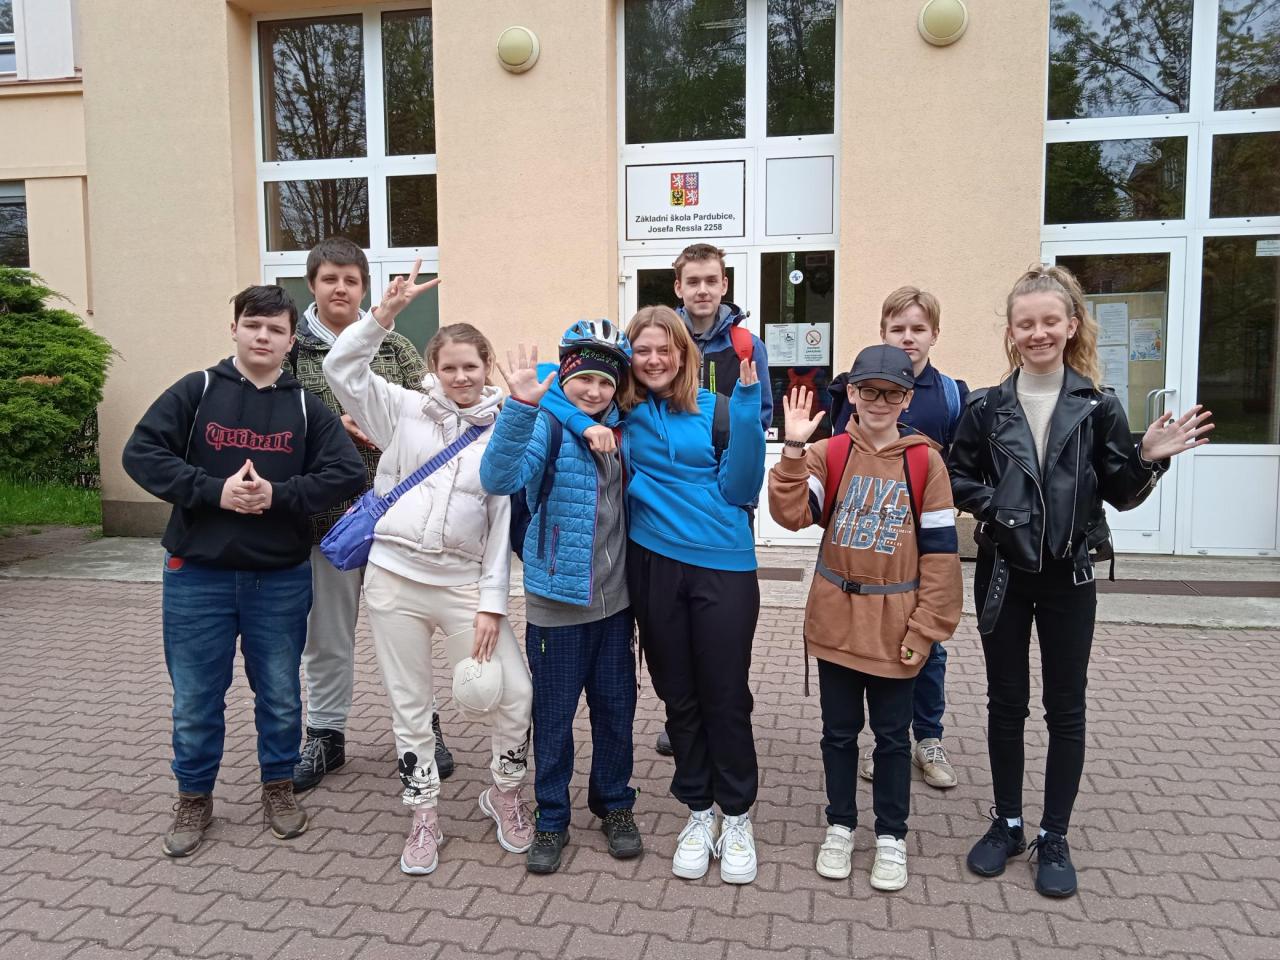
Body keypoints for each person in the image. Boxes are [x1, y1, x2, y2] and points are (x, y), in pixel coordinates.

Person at [950, 264, 1213, 898]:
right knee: (1005, 702)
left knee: (1065, 706)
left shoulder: (1098, 406)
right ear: (1011, 332)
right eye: (1026, 323)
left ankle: (1054, 833)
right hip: (1003, 574)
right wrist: (997, 508)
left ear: (1071, 326)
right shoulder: (985, 407)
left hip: (1069, 577)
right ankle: (1007, 823)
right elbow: (958, 476)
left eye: (1050, 321)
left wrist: (1148, 459)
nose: (1038, 332)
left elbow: (1120, 492)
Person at [122, 285, 365, 857]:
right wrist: (215, 491)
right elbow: (141, 453)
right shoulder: (197, 390)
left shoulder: (306, 406)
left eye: (276, 329)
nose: (263, 336)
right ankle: (194, 797)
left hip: (278, 577)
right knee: (195, 699)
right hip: (197, 574)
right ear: (234, 328)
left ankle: (278, 788)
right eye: (253, 325)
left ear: (291, 341)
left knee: (280, 695)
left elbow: (347, 471)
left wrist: (279, 495)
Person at [323, 262, 535, 876]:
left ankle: (504, 792)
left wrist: (492, 603)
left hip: (463, 584)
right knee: (410, 705)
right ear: (434, 370)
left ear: (487, 366)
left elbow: (500, 522)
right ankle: (423, 814)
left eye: (471, 366)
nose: (461, 377)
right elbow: (341, 369)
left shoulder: (506, 428)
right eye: (449, 368)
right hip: (394, 580)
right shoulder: (402, 410)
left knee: (514, 693)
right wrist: (382, 316)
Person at [542, 304, 766, 884]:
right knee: (678, 695)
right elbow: (548, 386)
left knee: (724, 695)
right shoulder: (623, 412)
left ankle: (736, 815)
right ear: (630, 359)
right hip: (652, 565)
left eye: (665, 348)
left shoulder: (718, 408)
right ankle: (698, 810)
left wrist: (747, 406)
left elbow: (742, 486)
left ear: (683, 354)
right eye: (642, 350)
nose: (654, 359)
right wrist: (582, 424)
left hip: (723, 566)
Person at [769, 344, 962, 891]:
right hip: (836, 618)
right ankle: (840, 826)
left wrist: (927, 628)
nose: (880, 401)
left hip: (896, 625)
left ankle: (891, 836)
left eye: (892, 393)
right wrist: (792, 448)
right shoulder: (829, 453)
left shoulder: (924, 462)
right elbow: (790, 515)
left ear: (907, 399)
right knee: (838, 734)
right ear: (852, 392)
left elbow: (942, 556)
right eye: (869, 390)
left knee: (893, 738)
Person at [286, 237, 456, 792]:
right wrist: (331, 427)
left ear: (364, 288)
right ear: (312, 284)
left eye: (351, 280)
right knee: (327, 636)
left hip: (394, 515)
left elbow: (429, 411)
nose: (340, 288)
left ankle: (423, 729)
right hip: (328, 521)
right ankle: (326, 734)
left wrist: (386, 428)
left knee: (406, 630)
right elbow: (276, 422)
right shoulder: (292, 351)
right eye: (330, 278)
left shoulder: (396, 346)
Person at [480, 321, 641, 875]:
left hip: (617, 606)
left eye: (605, 382)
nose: (593, 391)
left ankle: (614, 804)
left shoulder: (625, 432)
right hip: (557, 605)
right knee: (553, 718)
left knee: (616, 712)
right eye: (583, 380)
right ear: (566, 378)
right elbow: (498, 477)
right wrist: (522, 408)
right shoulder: (545, 427)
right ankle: (551, 815)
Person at [829, 287, 969, 790]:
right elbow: (841, 456)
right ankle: (885, 740)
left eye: (918, 329)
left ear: (935, 334)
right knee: (874, 647)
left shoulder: (950, 394)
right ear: (883, 332)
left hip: (920, 541)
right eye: (898, 329)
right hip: (869, 541)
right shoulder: (858, 386)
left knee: (927, 646)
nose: (908, 338)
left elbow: (962, 463)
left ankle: (928, 738)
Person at [653, 241, 771, 759]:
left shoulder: (746, 344)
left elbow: (758, 415)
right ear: (678, 287)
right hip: (674, 504)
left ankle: (725, 709)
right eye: (693, 281)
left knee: (723, 626)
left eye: (711, 280)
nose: (702, 290)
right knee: (674, 625)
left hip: (727, 500)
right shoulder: (664, 338)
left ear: (724, 285)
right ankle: (681, 715)